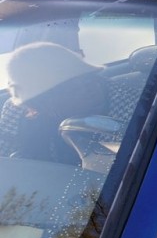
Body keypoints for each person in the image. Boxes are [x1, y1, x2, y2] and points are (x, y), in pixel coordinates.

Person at [0, 42, 134, 164]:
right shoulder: (17, 113)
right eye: (71, 87)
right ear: (41, 103)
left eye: (88, 78)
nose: (89, 89)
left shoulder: (130, 108)